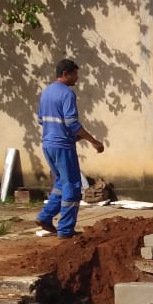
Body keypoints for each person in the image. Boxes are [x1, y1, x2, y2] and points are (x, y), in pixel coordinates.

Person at [35, 59, 105, 238]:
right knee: (73, 186)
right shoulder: (67, 94)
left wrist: (68, 134)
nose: (77, 78)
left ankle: (45, 216)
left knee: (60, 183)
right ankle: (65, 229)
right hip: (63, 146)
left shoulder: (46, 92)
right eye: (75, 74)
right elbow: (71, 122)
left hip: (48, 144)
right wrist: (93, 141)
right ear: (65, 74)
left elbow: (42, 120)